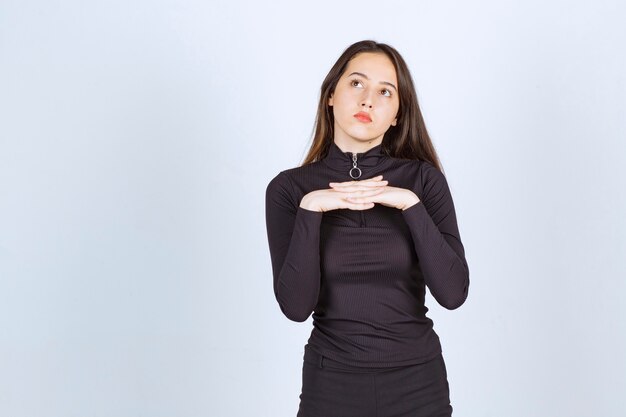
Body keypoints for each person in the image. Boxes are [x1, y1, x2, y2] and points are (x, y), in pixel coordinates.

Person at [264, 40, 470, 417]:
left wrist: (410, 205)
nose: (368, 100)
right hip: (331, 386)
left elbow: (453, 293)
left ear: (396, 115)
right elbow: (295, 307)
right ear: (330, 95)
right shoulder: (289, 190)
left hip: (418, 384)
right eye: (356, 84)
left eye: (385, 91)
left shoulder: (423, 182)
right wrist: (311, 210)